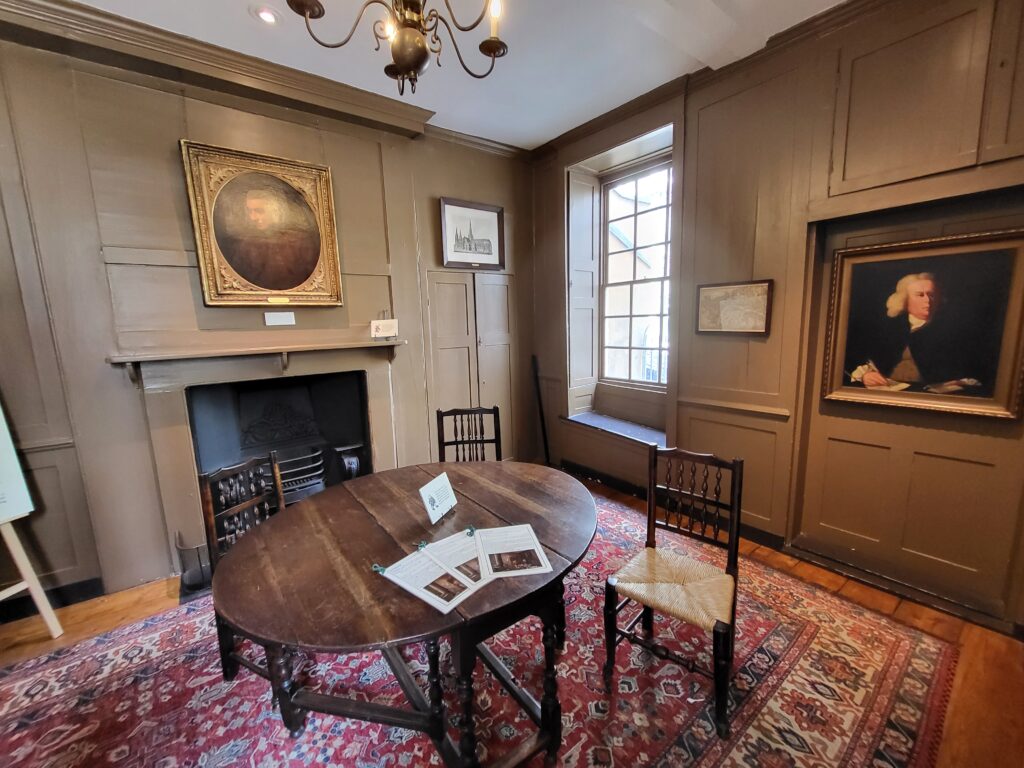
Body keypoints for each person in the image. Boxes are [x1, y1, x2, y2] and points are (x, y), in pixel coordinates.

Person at [847, 272, 986, 394]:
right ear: (905, 300)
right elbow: (856, 359)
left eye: (931, 295)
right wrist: (866, 375)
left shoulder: (952, 331)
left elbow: (971, 372)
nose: (927, 300)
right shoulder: (887, 328)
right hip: (886, 393)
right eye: (920, 295)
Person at [214, 185, 321, 291]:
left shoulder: (301, 241)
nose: (253, 217)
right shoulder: (245, 245)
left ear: (275, 210)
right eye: (250, 211)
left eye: (259, 211)